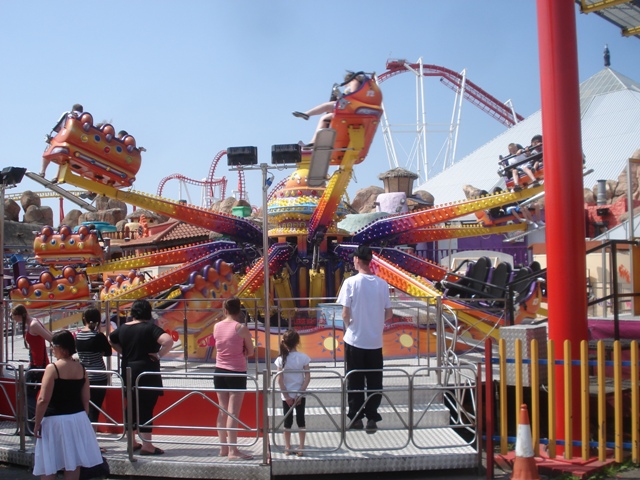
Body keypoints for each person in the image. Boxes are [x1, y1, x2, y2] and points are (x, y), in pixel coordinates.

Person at [336, 245, 393, 434]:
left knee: (355, 380)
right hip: (375, 340)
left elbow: (345, 313)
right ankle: (372, 417)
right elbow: (389, 313)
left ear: (356, 260)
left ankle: (356, 417)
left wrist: (350, 324)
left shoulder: (351, 283)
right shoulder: (382, 284)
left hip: (355, 339)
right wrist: (376, 322)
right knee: (375, 381)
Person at [32, 330, 103, 480]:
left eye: (53, 346)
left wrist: (37, 422)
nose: (52, 349)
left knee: (49, 463)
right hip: (77, 418)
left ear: (62, 348)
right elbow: (86, 399)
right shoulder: (81, 368)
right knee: (73, 463)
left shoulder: (53, 368)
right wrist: (82, 419)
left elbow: (43, 399)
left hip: (54, 420)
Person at [109, 299, 173, 455]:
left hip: (128, 369)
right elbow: (168, 341)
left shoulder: (123, 328)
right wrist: (158, 355)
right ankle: (147, 445)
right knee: (146, 407)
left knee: (130, 406)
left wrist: (123, 351)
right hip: (146, 371)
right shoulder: (150, 328)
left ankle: (131, 442)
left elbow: (111, 339)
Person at [212, 296, 255, 460]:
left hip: (219, 371)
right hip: (236, 372)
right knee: (233, 413)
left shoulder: (216, 326)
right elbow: (250, 351)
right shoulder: (241, 328)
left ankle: (223, 447)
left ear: (225, 310)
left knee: (222, 410)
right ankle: (233, 450)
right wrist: (243, 349)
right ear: (239, 311)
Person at [292, 72, 364, 147]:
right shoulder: (357, 84)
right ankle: (313, 143)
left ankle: (307, 114)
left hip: (349, 108)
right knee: (324, 118)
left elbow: (352, 97)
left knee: (325, 106)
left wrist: (340, 96)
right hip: (348, 109)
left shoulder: (354, 81)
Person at [11, 305, 53, 432]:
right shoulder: (33, 323)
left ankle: (35, 423)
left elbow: (50, 337)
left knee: (28, 395)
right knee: (27, 393)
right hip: (36, 364)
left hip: (38, 366)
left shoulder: (33, 325)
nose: (14, 320)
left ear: (19, 315)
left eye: (14, 317)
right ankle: (31, 426)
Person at [274, 329, 310, 456]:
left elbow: (279, 379)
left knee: (287, 422)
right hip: (300, 395)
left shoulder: (280, 359)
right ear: (297, 342)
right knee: (301, 421)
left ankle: (287, 447)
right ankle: (301, 447)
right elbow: (307, 377)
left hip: (286, 396)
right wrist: (300, 393)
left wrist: (286, 396)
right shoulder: (304, 358)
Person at [75, 308, 113, 428]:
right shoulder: (98, 336)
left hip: (83, 375)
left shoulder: (78, 336)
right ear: (97, 320)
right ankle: (93, 438)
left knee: (83, 407)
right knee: (95, 409)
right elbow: (108, 352)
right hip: (99, 375)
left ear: (83, 319)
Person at [41, 103, 84, 181]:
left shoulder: (67, 114)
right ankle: (56, 176)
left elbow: (58, 126)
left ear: (73, 109)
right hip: (77, 143)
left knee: (47, 152)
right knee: (64, 157)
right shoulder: (84, 118)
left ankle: (42, 172)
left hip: (64, 138)